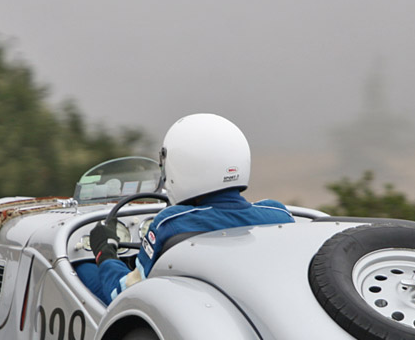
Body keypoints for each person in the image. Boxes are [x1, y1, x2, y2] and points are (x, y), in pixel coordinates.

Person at [77, 113, 294, 305]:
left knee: (83, 269)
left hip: (190, 311)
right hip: (259, 310)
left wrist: (105, 254)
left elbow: (123, 294)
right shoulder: (279, 216)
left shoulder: (171, 223)